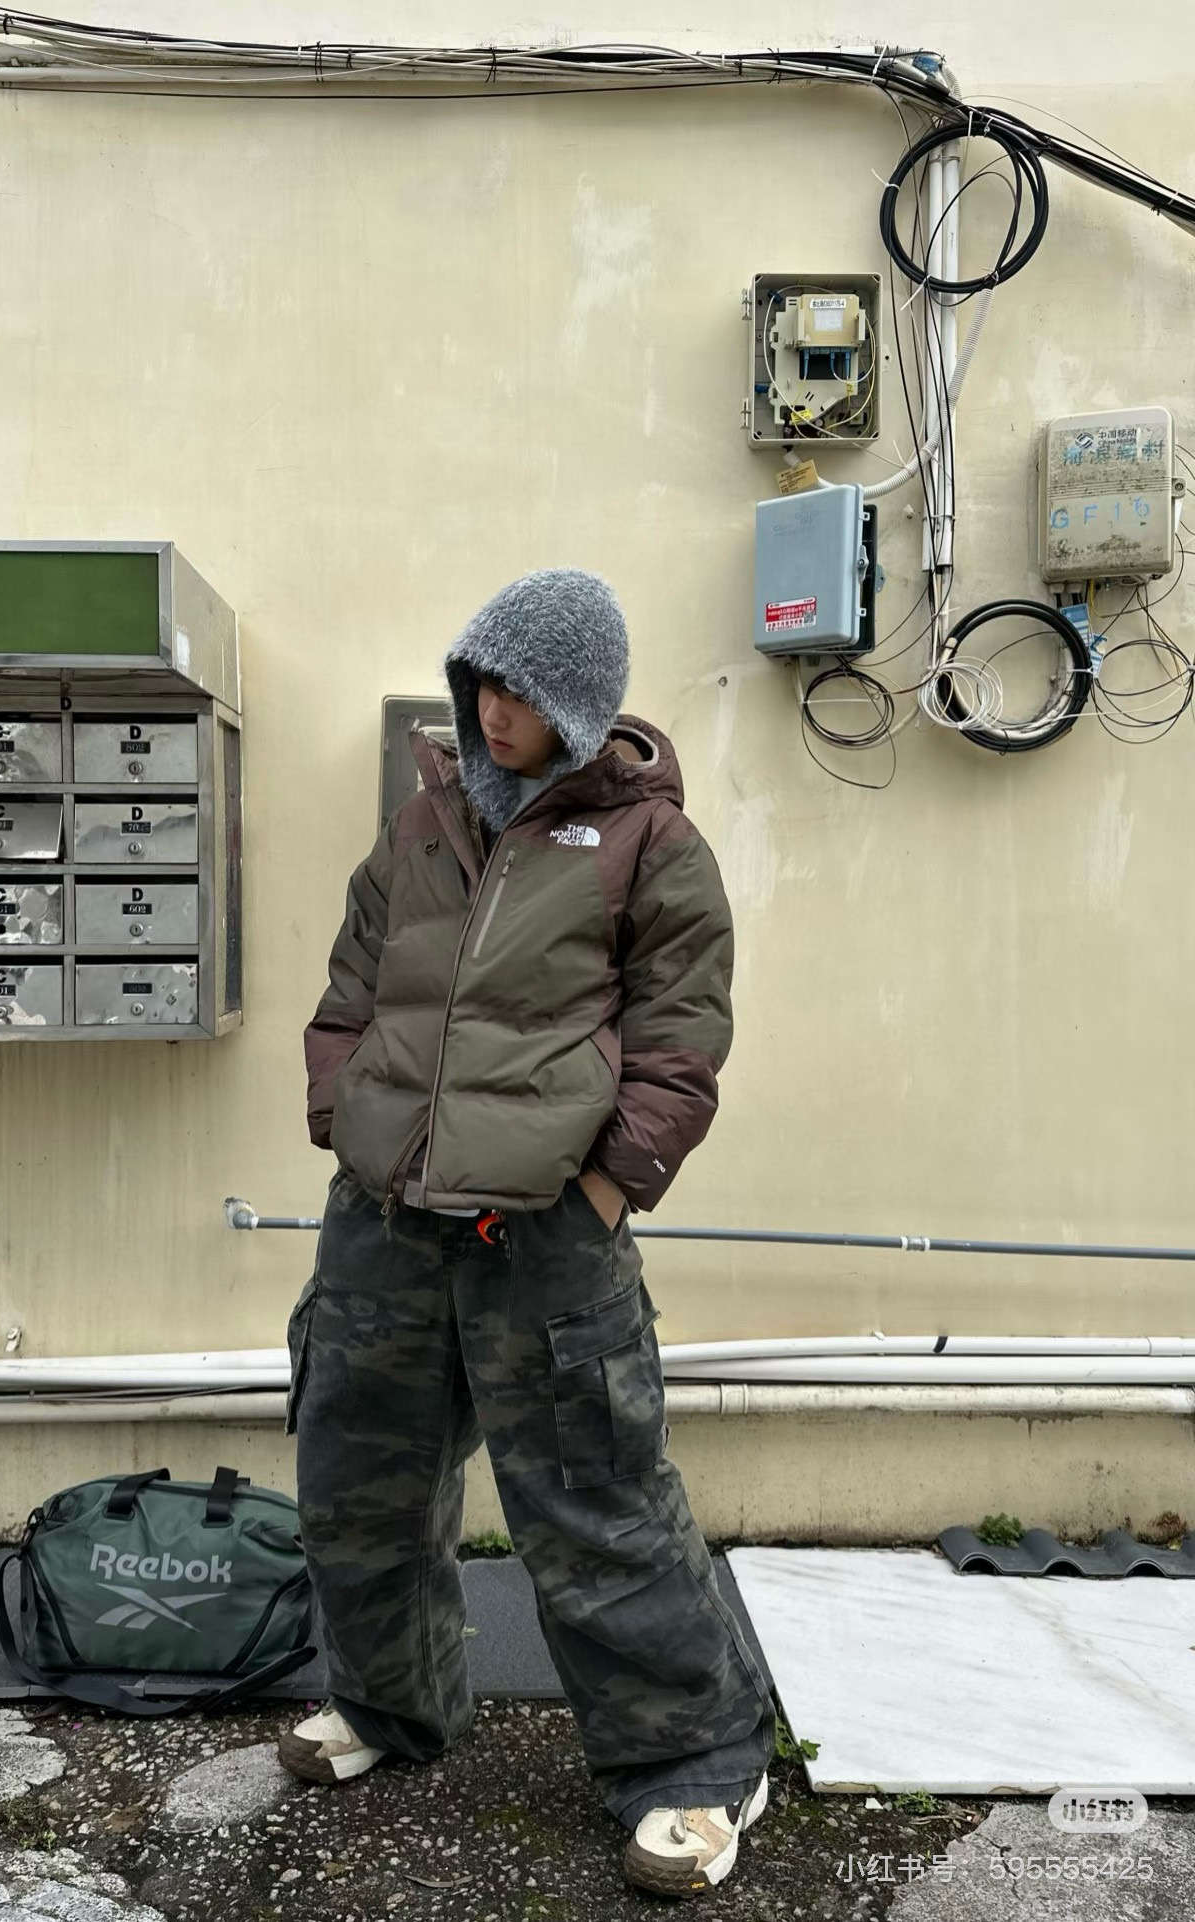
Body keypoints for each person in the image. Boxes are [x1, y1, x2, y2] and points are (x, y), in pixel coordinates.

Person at [279, 567, 777, 1899]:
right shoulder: (422, 822)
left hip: (545, 1230)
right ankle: (391, 1705)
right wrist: (344, 1116)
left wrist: (609, 1184)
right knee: (357, 1482)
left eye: (522, 693)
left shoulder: (650, 844)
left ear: (581, 705)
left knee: (594, 1503)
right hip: (386, 1216)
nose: (493, 713)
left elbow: (682, 1036)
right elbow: (351, 988)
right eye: (482, 684)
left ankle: (696, 1763)